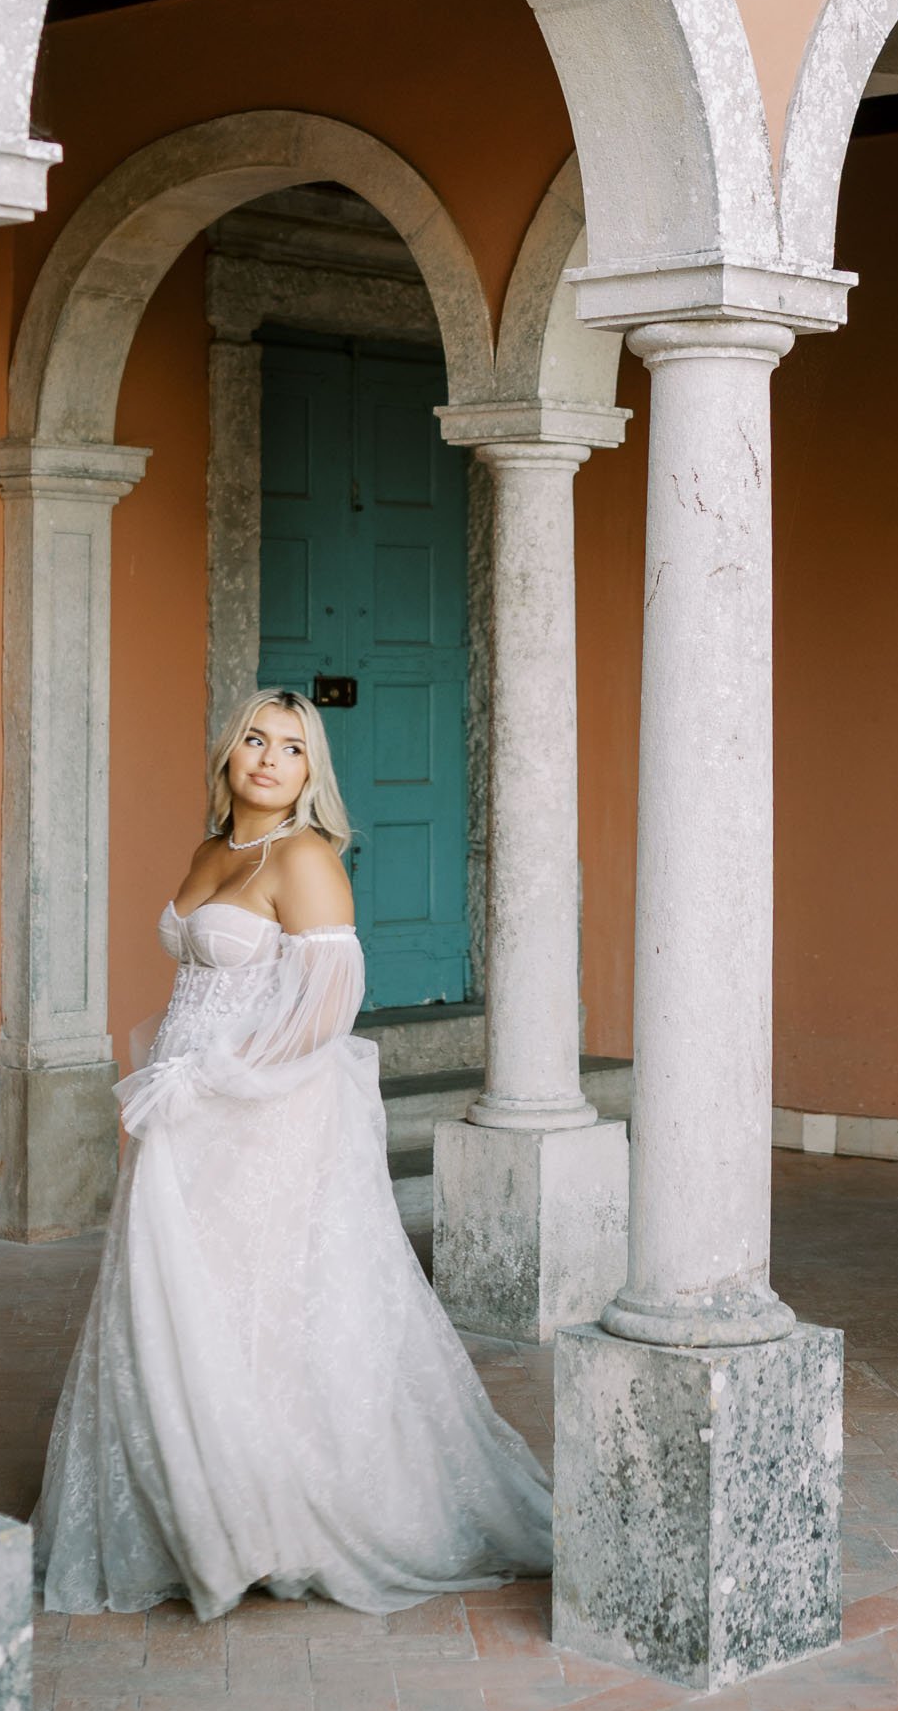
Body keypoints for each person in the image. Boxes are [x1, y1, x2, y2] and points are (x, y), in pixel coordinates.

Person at [33, 687, 552, 1617]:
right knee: (173, 1296)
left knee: (259, 1300)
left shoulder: (304, 857)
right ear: (229, 754)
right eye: (255, 741)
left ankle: (281, 1520)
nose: (270, 760)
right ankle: (196, 1512)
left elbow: (324, 1006)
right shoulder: (211, 851)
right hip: (182, 1113)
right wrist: (163, 1079)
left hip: (259, 1112)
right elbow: (198, 985)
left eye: (293, 749)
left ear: (313, 772)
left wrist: (203, 1083)